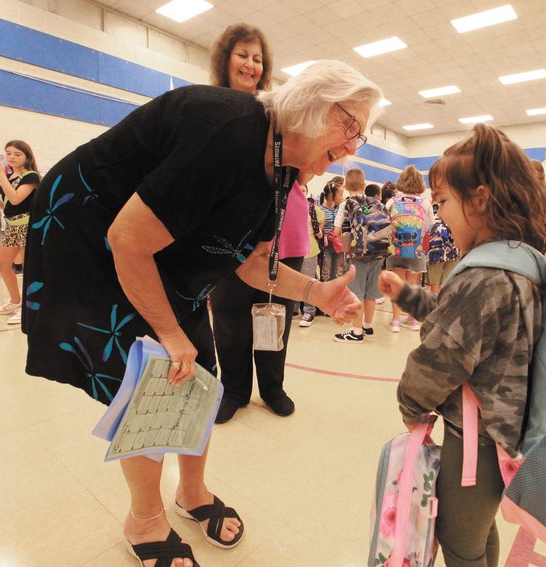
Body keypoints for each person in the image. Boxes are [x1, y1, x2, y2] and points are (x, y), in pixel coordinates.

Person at [22, 59, 380, 566]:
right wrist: (168, 333)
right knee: (156, 376)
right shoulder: (228, 132)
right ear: (312, 105)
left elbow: (254, 262)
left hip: (159, 254)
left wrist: (315, 293)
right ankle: (144, 518)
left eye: (359, 136)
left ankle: (192, 493)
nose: (350, 147)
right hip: (90, 236)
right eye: (350, 126)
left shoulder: (282, 169)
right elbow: (126, 239)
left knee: (201, 377)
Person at [379, 124, 546, 567]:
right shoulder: (518, 258)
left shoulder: (484, 276)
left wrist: (411, 405)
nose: (439, 217)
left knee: (458, 541)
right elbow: (463, 322)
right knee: (476, 533)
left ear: (480, 200)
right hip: (501, 432)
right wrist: (408, 295)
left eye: (442, 203)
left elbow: (440, 356)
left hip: (476, 437)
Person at [206, 23, 309, 424]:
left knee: (276, 315)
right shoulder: (210, 106)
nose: (250, 64)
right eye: (242, 55)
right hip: (227, 236)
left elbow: (302, 168)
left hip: (286, 231)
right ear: (225, 59)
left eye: (257, 58)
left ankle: (272, 387)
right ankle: (234, 390)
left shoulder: (276, 110)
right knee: (230, 318)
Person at [0, 141, 40, 324]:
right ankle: (16, 301)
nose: (11, 157)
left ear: (27, 157)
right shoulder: (9, 178)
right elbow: (6, 205)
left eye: (17, 154)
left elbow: (17, 198)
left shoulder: (31, 176)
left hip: (27, 225)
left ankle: (28, 307)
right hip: (11, 225)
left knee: (29, 268)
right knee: (2, 265)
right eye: (8, 153)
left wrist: (1, 174)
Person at [333, 182, 388, 343]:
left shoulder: (347, 203)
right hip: (377, 253)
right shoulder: (377, 203)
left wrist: (346, 248)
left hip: (357, 255)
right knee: (370, 293)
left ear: (345, 184)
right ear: (363, 184)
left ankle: (356, 332)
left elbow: (337, 231)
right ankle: (367, 326)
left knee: (356, 293)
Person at [386, 164, 434, 331]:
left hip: (396, 249)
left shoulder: (393, 201)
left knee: (396, 283)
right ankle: (412, 320)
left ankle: (396, 321)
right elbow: (430, 227)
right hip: (417, 249)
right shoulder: (425, 203)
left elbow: (384, 222)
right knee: (413, 285)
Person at [298, 187, 325, 327]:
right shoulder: (288, 206)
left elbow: (322, 218)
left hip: (310, 249)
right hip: (292, 251)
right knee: (293, 280)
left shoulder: (311, 208)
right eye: (299, 189)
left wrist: (319, 229)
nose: (301, 191)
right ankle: (294, 308)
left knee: (308, 281)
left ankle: (309, 311)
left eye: (303, 190)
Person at [425, 201, 459, 293]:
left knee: (435, 282)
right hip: (452, 249)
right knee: (449, 282)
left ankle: (436, 305)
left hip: (434, 250)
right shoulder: (456, 210)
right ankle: (445, 305)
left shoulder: (429, 208)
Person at [319, 179, 344, 281]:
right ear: (330, 195)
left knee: (339, 273)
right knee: (326, 272)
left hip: (339, 246)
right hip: (326, 246)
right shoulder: (319, 210)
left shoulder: (341, 209)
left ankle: (336, 292)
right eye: (341, 195)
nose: (342, 198)